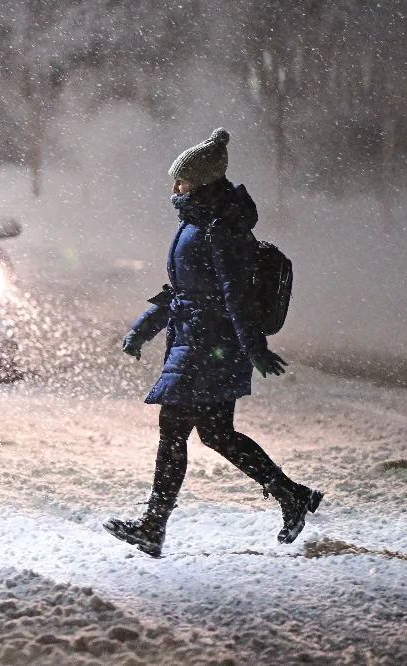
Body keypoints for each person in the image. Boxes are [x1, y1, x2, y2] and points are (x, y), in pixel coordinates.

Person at [104, 128, 322, 557]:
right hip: (199, 341)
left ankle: (153, 526)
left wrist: (253, 346)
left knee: (176, 431)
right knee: (217, 433)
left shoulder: (220, 230)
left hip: (209, 346)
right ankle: (291, 495)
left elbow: (234, 294)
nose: (174, 188)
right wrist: (142, 329)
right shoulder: (198, 223)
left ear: (201, 183)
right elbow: (181, 291)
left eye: (181, 181)